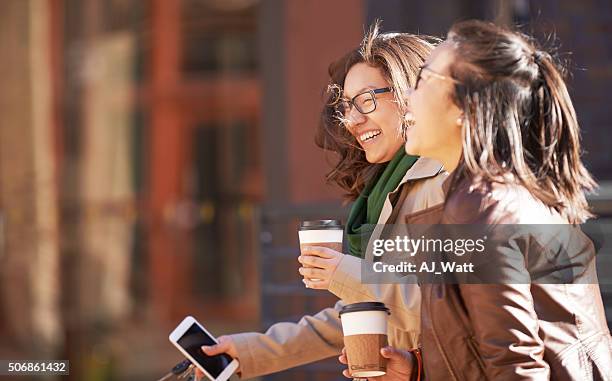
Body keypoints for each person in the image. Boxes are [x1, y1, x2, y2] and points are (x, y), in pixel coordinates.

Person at [340, 19, 612, 380]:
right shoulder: (492, 195)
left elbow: (517, 367)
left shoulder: (484, 207)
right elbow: (489, 346)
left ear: (464, 108)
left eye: (422, 81)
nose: (407, 99)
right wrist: (417, 370)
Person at [195, 24, 448, 380]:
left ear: (411, 93)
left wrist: (343, 272)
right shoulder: (384, 190)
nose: (353, 119)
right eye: (347, 106)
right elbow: (362, 310)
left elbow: (447, 306)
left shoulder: (444, 183)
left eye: (366, 100)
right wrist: (248, 353)